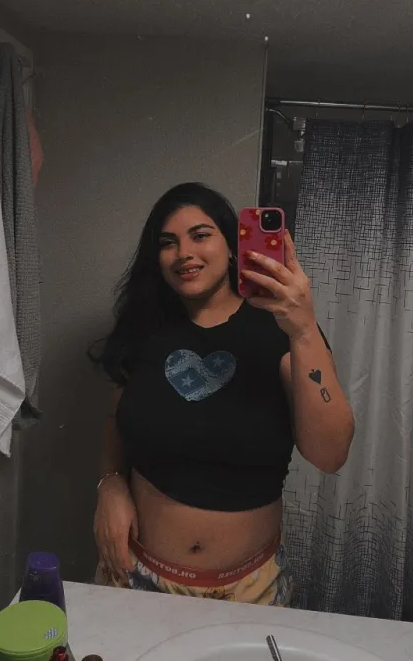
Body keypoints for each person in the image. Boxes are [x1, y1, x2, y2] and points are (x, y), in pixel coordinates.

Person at [91, 182, 354, 605]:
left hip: (248, 590)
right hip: (135, 573)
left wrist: (304, 329)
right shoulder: (144, 328)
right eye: (168, 242)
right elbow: (117, 418)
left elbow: (331, 453)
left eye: (200, 235)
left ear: (233, 246)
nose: (184, 253)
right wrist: (110, 484)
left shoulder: (282, 329)